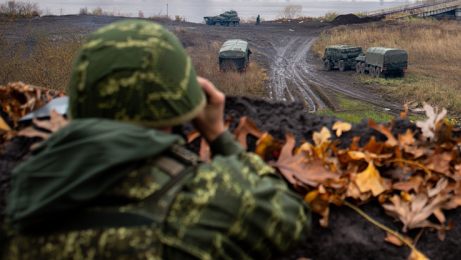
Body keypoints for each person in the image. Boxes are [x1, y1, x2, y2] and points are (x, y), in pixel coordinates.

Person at [3, 19, 310, 259]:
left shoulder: (24, 191)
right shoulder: (208, 194)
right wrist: (217, 134)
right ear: (179, 102)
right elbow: (291, 219)